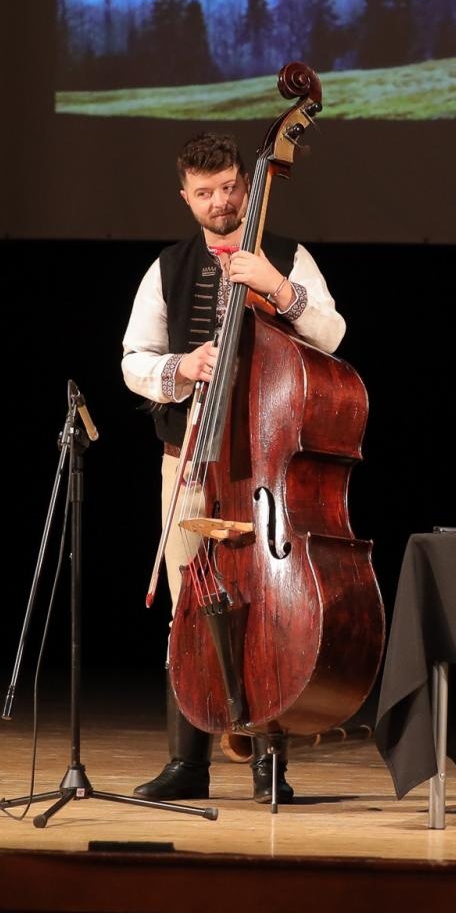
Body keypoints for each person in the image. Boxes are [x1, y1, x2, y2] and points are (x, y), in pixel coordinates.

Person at [120, 131, 346, 804]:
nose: (220, 202)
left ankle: (268, 765)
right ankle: (186, 763)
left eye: (229, 188)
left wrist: (276, 287)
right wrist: (183, 366)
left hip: (263, 469)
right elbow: (133, 361)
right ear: (186, 198)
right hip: (190, 463)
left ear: (248, 187)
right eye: (205, 193)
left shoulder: (288, 257)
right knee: (189, 610)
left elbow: (332, 334)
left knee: (269, 612)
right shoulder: (168, 267)